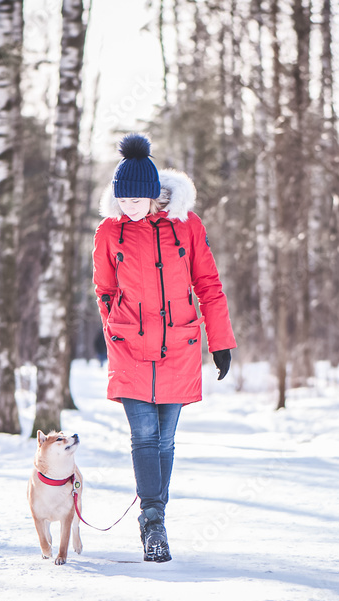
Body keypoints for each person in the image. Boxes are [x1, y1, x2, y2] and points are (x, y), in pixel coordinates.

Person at [92, 133, 237, 562]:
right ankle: (154, 523)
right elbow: (103, 288)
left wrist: (221, 342)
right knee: (145, 435)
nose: (129, 207)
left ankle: (155, 516)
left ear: (154, 194)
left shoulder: (186, 227)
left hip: (179, 343)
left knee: (166, 439)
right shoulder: (109, 231)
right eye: (123, 200)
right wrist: (116, 326)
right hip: (130, 345)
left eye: (137, 199)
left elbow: (208, 285)